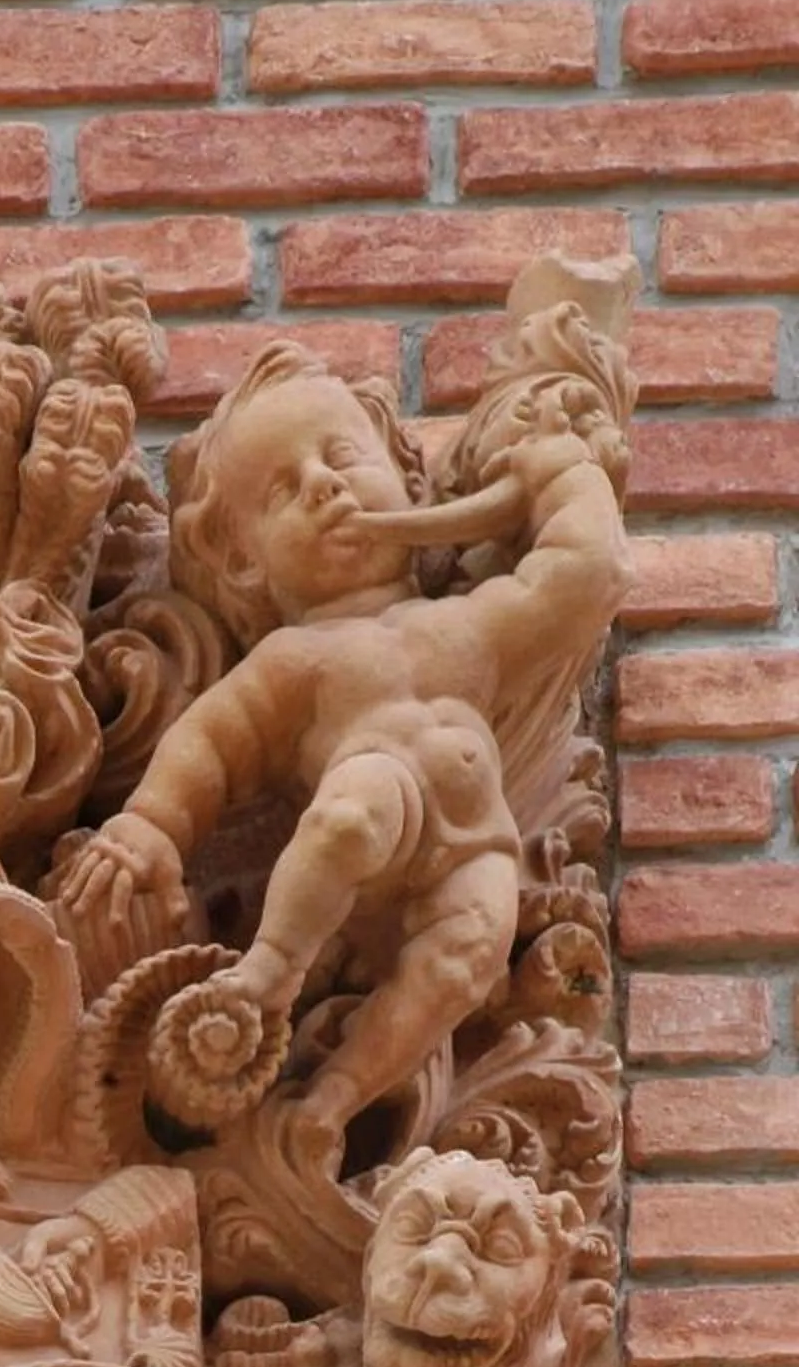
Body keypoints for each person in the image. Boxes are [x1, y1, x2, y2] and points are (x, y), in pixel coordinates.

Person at [54, 343, 630, 1162]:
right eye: (284, 490)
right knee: (354, 815)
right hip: (379, 802)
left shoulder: (464, 627)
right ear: (243, 561)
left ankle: (333, 1099)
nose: (324, 485)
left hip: (480, 840)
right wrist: (150, 822)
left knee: (465, 962)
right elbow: (212, 745)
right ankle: (270, 975)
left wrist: (562, 475)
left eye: (342, 457)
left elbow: (584, 575)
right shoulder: (297, 661)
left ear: (407, 479)